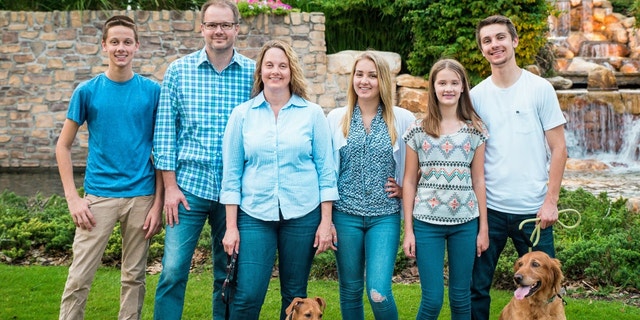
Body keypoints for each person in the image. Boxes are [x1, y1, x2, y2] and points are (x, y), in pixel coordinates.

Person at [220, 39, 339, 320]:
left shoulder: (311, 114)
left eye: (282, 66)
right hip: (254, 215)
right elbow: (231, 175)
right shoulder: (242, 115)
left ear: (291, 71)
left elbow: (326, 171)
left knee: (294, 294)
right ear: (260, 70)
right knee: (248, 294)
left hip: (302, 214)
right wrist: (231, 227)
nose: (276, 71)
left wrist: (325, 222)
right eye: (269, 65)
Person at [151, 0, 255, 319]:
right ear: (202, 28)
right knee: (172, 271)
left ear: (237, 28)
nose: (218, 31)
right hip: (188, 190)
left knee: (228, 274)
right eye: (212, 25)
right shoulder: (178, 72)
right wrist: (170, 187)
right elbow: (165, 134)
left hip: (235, 192)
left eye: (225, 25)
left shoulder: (254, 73)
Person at [56, 15, 163, 320]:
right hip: (98, 199)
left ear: (137, 46)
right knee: (79, 277)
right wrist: (73, 199)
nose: (121, 48)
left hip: (140, 198)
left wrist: (157, 204)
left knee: (134, 278)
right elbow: (62, 146)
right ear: (103, 46)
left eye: (127, 42)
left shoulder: (151, 92)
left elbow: (161, 151)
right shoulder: (87, 91)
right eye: (114, 42)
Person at [469, 15, 568, 320]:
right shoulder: (475, 97)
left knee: (550, 287)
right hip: (491, 211)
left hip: (535, 214)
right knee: (477, 287)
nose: (494, 45)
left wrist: (551, 201)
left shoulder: (539, 89)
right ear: (482, 50)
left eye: (500, 37)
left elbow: (559, 148)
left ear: (514, 41)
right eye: (487, 41)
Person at [325, 51, 415, 320]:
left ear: (383, 80)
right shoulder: (336, 118)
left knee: (379, 290)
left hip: (383, 217)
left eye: (372, 75)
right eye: (359, 74)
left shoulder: (402, 119)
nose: (364, 81)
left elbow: (420, 162)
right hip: (345, 215)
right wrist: (327, 220)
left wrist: (404, 187)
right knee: (350, 290)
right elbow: (328, 171)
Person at [402, 58, 489, 320]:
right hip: (427, 224)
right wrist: (408, 230)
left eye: (454, 82)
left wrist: (483, 228)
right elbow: (409, 181)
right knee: (432, 300)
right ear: (433, 87)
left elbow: (479, 181)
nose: (448, 88)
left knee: (461, 299)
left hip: (465, 223)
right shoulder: (417, 130)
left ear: (463, 87)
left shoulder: (476, 131)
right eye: (442, 83)